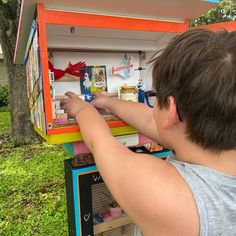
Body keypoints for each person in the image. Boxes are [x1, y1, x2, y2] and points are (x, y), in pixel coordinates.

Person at [60, 28, 236, 236]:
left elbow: (101, 142)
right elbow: (148, 118)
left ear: (171, 110)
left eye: (155, 97)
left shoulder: (164, 194)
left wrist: (82, 109)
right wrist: (109, 102)